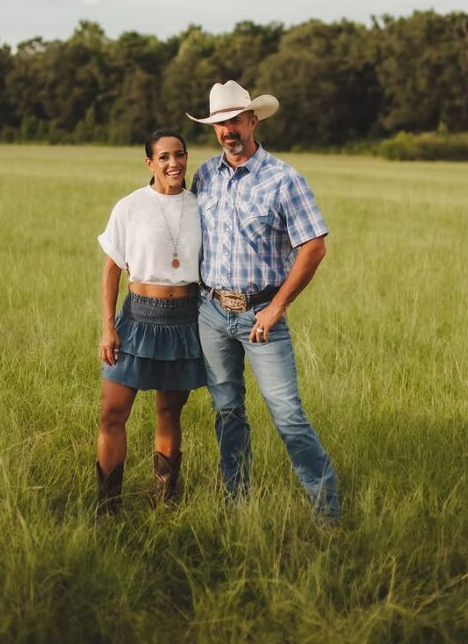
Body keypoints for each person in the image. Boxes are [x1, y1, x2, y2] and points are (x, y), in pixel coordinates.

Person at [187, 81, 340, 520]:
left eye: (235, 120)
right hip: (212, 312)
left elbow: (314, 246)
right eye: (220, 124)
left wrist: (276, 307)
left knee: (287, 414)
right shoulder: (205, 175)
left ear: (254, 120)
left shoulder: (284, 179)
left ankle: (327, 512)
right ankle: (236, 503)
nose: (228, 130)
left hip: (262, 317)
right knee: (228, 411)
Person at [95, 129, 206, 515]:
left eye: (180, 155)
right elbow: (111, 269)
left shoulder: (200, 206)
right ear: (149, 163)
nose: (173, 163)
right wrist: (109, 326)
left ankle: (166, 504)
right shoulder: (130, 206)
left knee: (169, 412)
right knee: (112, 412)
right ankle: (108, 508)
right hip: (138, 317)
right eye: (163, 157)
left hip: (184, 321)